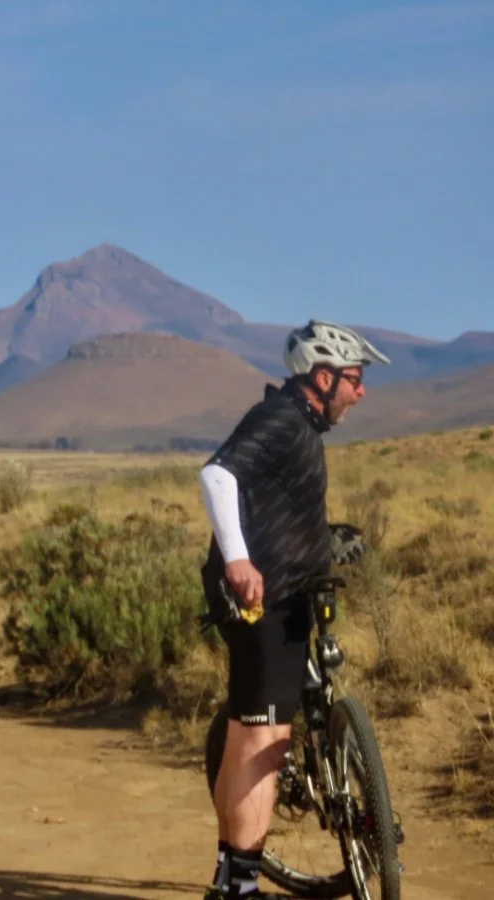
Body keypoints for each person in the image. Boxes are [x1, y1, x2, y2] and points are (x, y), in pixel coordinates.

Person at [197, 320, 389, 899]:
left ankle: (230, 883)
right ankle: (241, 889)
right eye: (354, 380)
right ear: (322, 377)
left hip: (282, 597)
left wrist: (323, 537)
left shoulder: (298, 427)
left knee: (247, 741)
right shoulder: (281, 420)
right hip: (265, 603)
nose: (361, 392)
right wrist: (237, 561)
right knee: (264, 747)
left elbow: (268, 504)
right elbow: (217, 475)